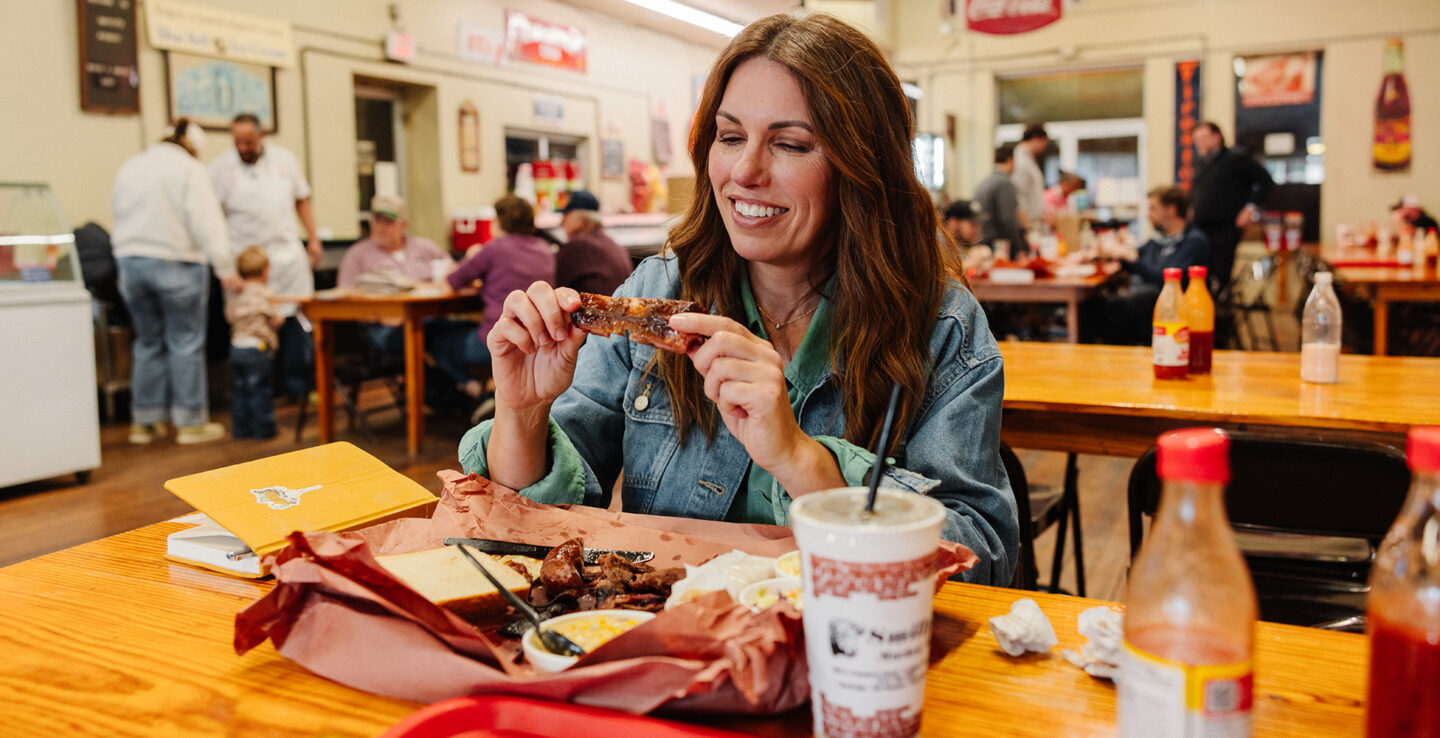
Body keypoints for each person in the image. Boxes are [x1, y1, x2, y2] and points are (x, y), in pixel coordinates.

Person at [458, 13, 1017, 585]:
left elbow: (983, 558)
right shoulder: (657, 293)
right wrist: (522, 414)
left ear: (862, 166)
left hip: (846, 652)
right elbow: (531, 537)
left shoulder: (940, 325)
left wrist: (803, 462)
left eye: (791, 144)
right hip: (675, 647)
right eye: (730, 137)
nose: (745, 171)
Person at [111, 118, 237, 445]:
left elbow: (118, 213)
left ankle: (144, 422)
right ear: (193, 146)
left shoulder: (132, 165)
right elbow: (206, 221)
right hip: (177, 262)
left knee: (147, 341)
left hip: (130, 263)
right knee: (185, 341)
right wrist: (225, 267)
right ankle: (190, 422)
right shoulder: (190, 170)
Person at [209, 113, 321, 400]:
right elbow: (211, 218)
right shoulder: (221, 168)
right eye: (237, 142)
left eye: (248, 141)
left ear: (262, 137)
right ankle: (258, 392)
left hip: (285, 257)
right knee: (251, 324)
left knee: (294, 320)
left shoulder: (285, 160)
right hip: (246, 262)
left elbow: (302, 200)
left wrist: (314, 237)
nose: (242, 147)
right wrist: (222, 263)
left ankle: (299, 388)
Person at [337, 194, 486, 405]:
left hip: (430, 319)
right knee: (426, 337)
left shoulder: (424, 247)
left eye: (388, 221)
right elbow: (344, 297)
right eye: (377, 220)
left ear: (403, 224)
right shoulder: (357, 255)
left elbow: (456, 273)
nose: (381, 226)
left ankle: (465, 394)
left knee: (464, 330)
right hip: (384, 329)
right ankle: (471, 393)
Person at [1083, 186, 1209, 345]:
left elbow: (1165, 279)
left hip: (1172, 308)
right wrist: (1108, 255)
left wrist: (1133, 260)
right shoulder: (1159, 240)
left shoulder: (1194, 241)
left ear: (1171, 210)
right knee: (1090, 304)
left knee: (1114, 306)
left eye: (1153, 209)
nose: (1148, 215)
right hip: (1144, 301)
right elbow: (1134, 255)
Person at [444, 194, 557, 372]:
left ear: (499, 221)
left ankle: (467, 390)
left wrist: (469, 256)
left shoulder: (493, 248)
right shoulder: (545, 248)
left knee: (437, 339)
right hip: (538, 341)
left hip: (499, 338)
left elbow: (452, 282)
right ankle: (483, 392)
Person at [1189, 121, 1273, 295]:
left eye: (1203, 138)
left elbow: (1265, 182)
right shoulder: (1200, 163)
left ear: (1217, 137)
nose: (1199, 143)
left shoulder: (1237, 159)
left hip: (1225, 229)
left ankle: (1222, 317)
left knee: (1220, 277)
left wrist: (1250, 208)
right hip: (1200, 229)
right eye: (1196, 140)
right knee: (1200, 276)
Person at [225, 246, 284, 439]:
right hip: (257, 349)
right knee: (261, 391)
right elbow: (277, 320)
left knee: (240, 391)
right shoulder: (266, 294)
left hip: (236, 348)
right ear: (265, 271)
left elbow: (229, 317)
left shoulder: (235, 294)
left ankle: (241, 431)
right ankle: (264, 431)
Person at [555, 190, 633, 296]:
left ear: (581, 219)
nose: (561, 222)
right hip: (621, 309)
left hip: (595, 310)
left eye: (565, 216)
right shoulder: (613, 245)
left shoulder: (577, 248)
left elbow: (554, 288)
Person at [973, 144, 1027, 259]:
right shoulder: (1005, 183)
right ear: (1010, 160)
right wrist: (1020, 248)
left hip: (982, 242)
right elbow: (1008, 221)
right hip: (999, 247)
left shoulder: (984, 182)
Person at [1012, 122, 1049, 242]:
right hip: (1026, 224)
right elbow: (1019, 194)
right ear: (1036, 139)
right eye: (1044, 142)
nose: (1045, 147)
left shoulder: (1029, 159)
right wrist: (1027, 226)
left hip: (1034, 222)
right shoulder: (1021, 161)